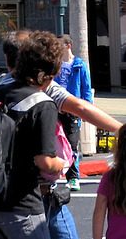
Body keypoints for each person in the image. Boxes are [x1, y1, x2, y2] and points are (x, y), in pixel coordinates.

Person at [0, 30, 123, 239]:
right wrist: (61, 163)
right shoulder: (42, 99)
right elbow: (46, 160)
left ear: (8, 59)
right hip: (30, 197)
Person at [0, 31, 68, 239]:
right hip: (21, 204)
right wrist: (61, 164)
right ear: (49, 72)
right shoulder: (42, 104)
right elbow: (44, 160)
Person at [56, 35, 94, 191]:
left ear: (68, 45)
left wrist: (87, 109)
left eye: (60, 45)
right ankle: (56, 172)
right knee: (54, 142)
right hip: (55, 107)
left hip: (72, 109)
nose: (57, 48)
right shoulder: (55, 65)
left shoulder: (79, 65)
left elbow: (86, 88)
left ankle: (73, 177)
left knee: (72, 144)